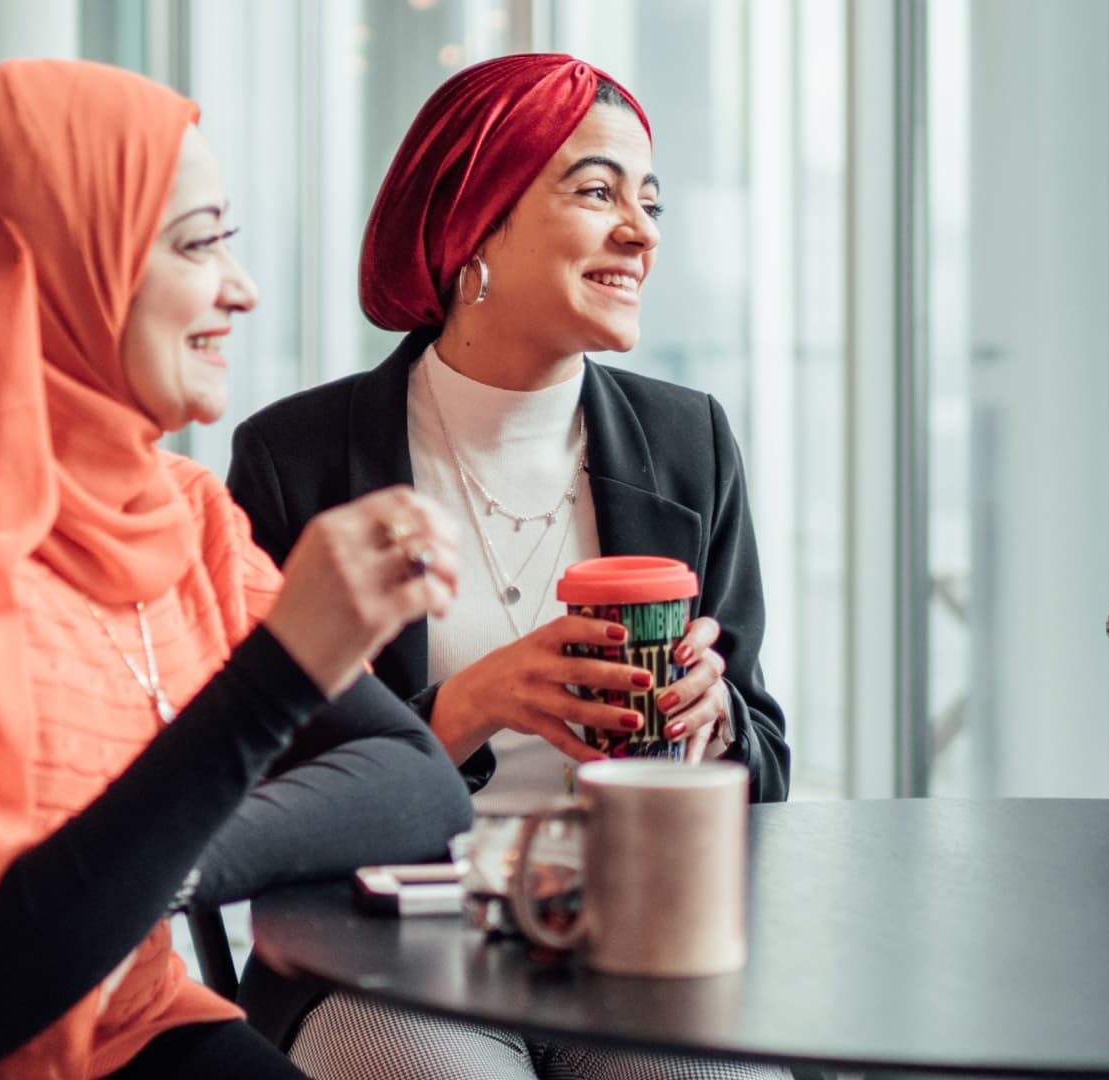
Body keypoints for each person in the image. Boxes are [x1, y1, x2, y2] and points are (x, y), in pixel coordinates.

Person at [0, 60, 473, 1079]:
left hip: (135, 1027)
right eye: (196, 243)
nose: (242, 289)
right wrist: (279, 674)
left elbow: (417, 787)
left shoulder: (177, 510)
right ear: (42, 267)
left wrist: (158, 867)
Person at [226, 54, 789, 1079]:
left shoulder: (688, 442)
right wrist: (469, 705)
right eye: (597, 190)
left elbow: (769, 766)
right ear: (474, 222)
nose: (642, 230)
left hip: (633, 944)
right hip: (386, 955)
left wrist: (714, 724)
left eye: (649, 200)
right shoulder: (295, 458)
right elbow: (245, 783)